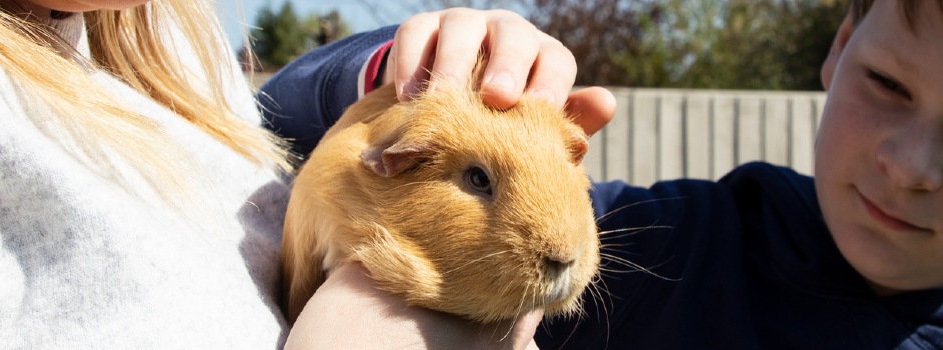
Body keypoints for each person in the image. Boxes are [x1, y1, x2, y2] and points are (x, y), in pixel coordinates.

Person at [261, 0, 943, 348]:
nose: (913, 167)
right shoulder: (677, 243)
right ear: (841, 47)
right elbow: (273, 127)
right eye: (886, 83)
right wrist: (400, 80)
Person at [0, 1, 613, 349]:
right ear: (393, 162)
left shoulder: (171, 45)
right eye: (476, 182)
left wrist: (407, 73)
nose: (559, 245)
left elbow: (272, 142)